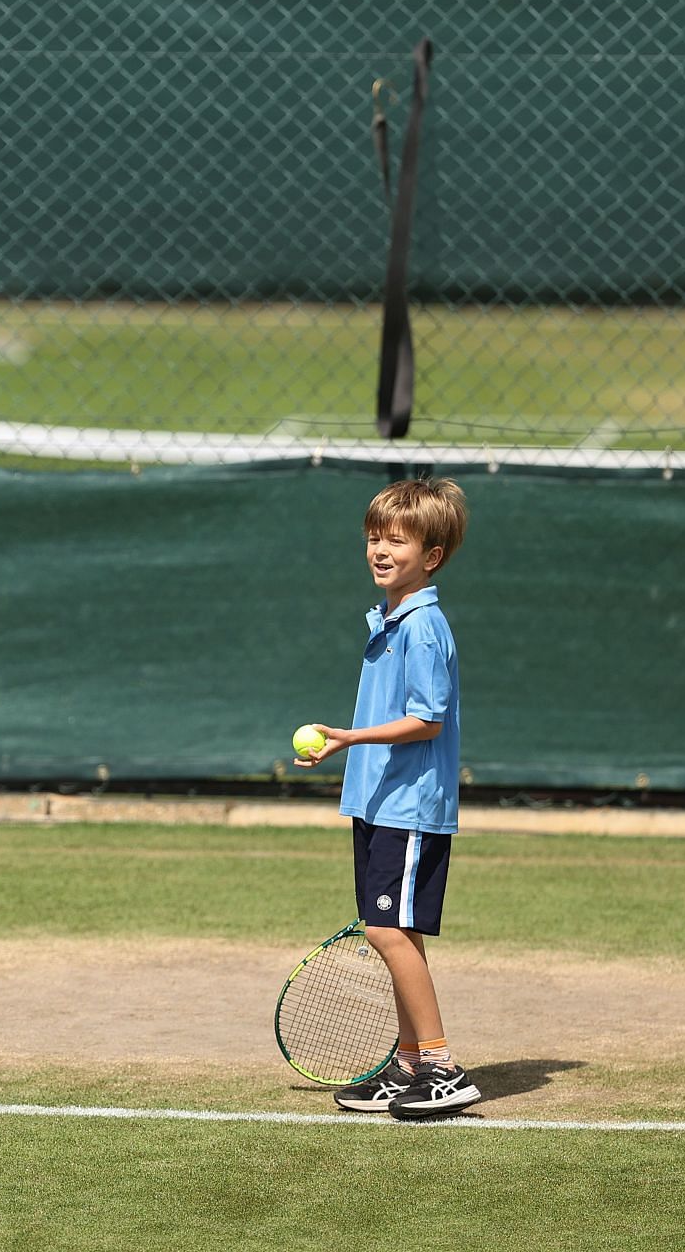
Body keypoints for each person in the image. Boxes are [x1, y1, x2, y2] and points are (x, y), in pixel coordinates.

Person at [293, 477, 481, 1121]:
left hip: (410, 806)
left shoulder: (423, 627)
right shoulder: (389, 621)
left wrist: (348, 738)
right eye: (374, 538)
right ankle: (407, 1065)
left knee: (385, 931)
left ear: (431, 556)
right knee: (398, 931)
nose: (379, 550)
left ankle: (440, 1067)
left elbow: (427, 719)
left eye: (396, 541)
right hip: (378, 803)